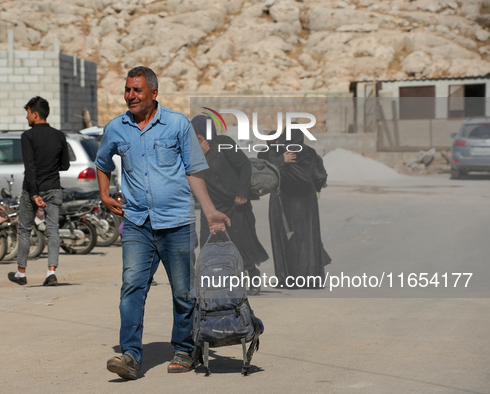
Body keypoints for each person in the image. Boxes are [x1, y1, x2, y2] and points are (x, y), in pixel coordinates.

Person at [96, 66, 230, 380]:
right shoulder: (116, 128)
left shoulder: (177, 124)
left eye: (137, 90)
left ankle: (184, 350)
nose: (130, 96)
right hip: (137, 224)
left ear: (154, 93)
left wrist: (209, 211)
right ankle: (130, 355)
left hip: (177, 223)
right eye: (127, 90)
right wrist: (104, 194)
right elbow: (102, 162)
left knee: (183, 292)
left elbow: (194, 170)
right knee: (132, 288)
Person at [191, 115, 269, 295]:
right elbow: (191, 175)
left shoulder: (223, 143)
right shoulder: (194, 153)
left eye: (199, 136)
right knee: (208, 243)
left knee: (241, 243)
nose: (196, 140)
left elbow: (245, 166)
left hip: (235, 205)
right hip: (211, 207)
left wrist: (242, 192)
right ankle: (212, 281)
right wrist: (199, 155)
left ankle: (252, 273)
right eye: (193, 136)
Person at [8, 96, 70, 286]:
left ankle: (21, 274)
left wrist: (35, 194)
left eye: (28, 114)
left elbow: (30, 167)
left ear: (35, 114)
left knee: (25, 230)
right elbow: (65, 165)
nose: (26, 118)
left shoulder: (28, 136)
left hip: (31, 190)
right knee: (53, 231)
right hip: (53, 188)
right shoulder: (59, 135)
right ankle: (51, 272)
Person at [261, 128, 331, 289]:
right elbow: (320, 176)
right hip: (307, 201)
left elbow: (266, 168)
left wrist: (280, 160)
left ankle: (287, 279)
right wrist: (316, 189)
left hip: (282, 200)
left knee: (285, 239)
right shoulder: (310, 152)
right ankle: (311, 279)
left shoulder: (278, 152)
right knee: (308, 238)